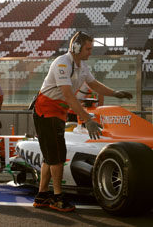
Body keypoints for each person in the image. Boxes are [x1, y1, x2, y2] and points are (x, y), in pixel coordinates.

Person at [31, 31, 133, 212]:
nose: (90, 52)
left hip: (56, 112)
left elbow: (94, 84)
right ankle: (57, 197)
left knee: (50, 156)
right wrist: (88, 119)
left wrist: (115, 93)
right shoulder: (62, 63)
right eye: (88, 48)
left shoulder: (82, 66)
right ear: (76, 47)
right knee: (58, 157)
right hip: (46, 111)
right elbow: (69, 96)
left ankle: (42, 195)